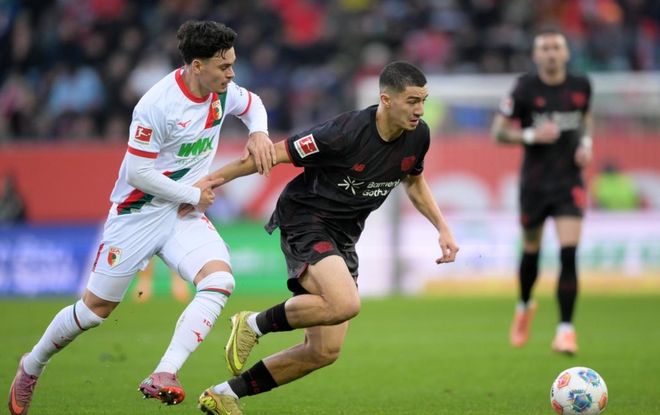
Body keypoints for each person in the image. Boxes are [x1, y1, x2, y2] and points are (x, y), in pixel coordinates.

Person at [8, 20, 276, 414]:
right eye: (224, 66)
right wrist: (192, 193)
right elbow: (138, 173)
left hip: (181, 215)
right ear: (197, 65)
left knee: (219, 280)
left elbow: (253, 105)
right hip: (137, 213)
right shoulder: (157, 105)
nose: (232, 74)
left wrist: (259, 132)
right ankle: (31, 366)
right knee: (94, 311)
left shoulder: (221, 92)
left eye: (233, 64)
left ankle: (165, 372)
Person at [191, 61, 459, 414]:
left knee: (323, 351)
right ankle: (253, 323)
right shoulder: (343, 133)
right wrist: (212, 180)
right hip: (306, 219)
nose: (420, 110)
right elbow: (273, 154)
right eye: (412, 101)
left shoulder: (419, 135)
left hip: (344, 236)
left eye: (423, 100)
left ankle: (224, 394)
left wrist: (442, 227)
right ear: (386, 100)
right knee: (346, 303)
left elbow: (414, 180)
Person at [490, 28, 594, 354]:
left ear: (566, 53)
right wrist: (531, 136)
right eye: (545, 48)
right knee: (531, 250)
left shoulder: (581, 85)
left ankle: (566, 330)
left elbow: (586, 118)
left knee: (568, 253)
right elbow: (498, 132)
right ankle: (524, 306)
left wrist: (586, 144)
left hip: (568, 181)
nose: (551, 53)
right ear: (536, 55)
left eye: (556, 47)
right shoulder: (524, 88)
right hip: (534, 184)